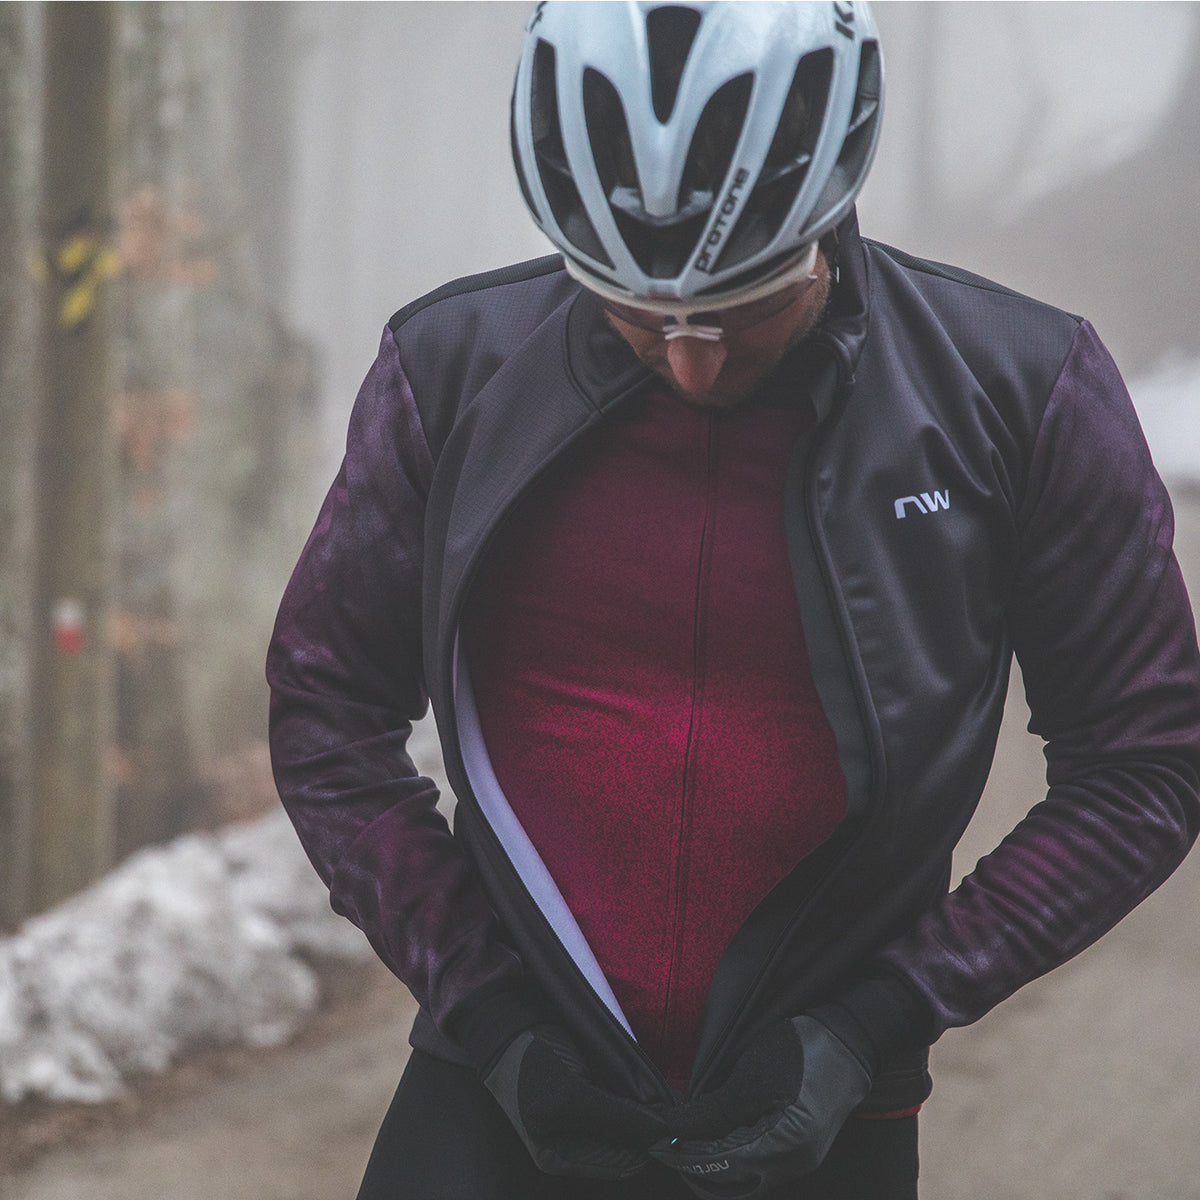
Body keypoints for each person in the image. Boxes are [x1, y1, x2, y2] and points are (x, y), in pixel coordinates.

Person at [266, 3, 1200, 1197]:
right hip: (500, 1084)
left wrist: (874, 1023)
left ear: (828, 218)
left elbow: (1143, 763)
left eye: (746, 310)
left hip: (818, 1101)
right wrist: (490, 1015)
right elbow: (329, 708)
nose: (691, 360)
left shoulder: (1019, 390)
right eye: (637, 317)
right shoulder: (454, 368)